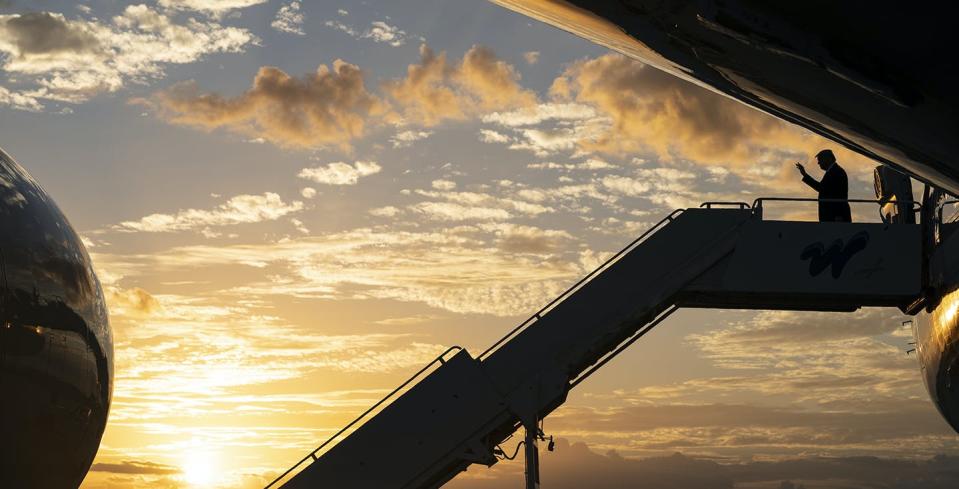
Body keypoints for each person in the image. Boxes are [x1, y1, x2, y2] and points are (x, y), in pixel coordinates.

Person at [795, 149, 851, 222]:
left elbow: (839, 194)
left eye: (820, 160)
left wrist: (839, 215)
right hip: (832, 217)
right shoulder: (834, 171)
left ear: (828, 159)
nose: (818, 163)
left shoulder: (836, 172)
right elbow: (823, 188)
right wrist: (805, 175)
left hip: (834, 217)